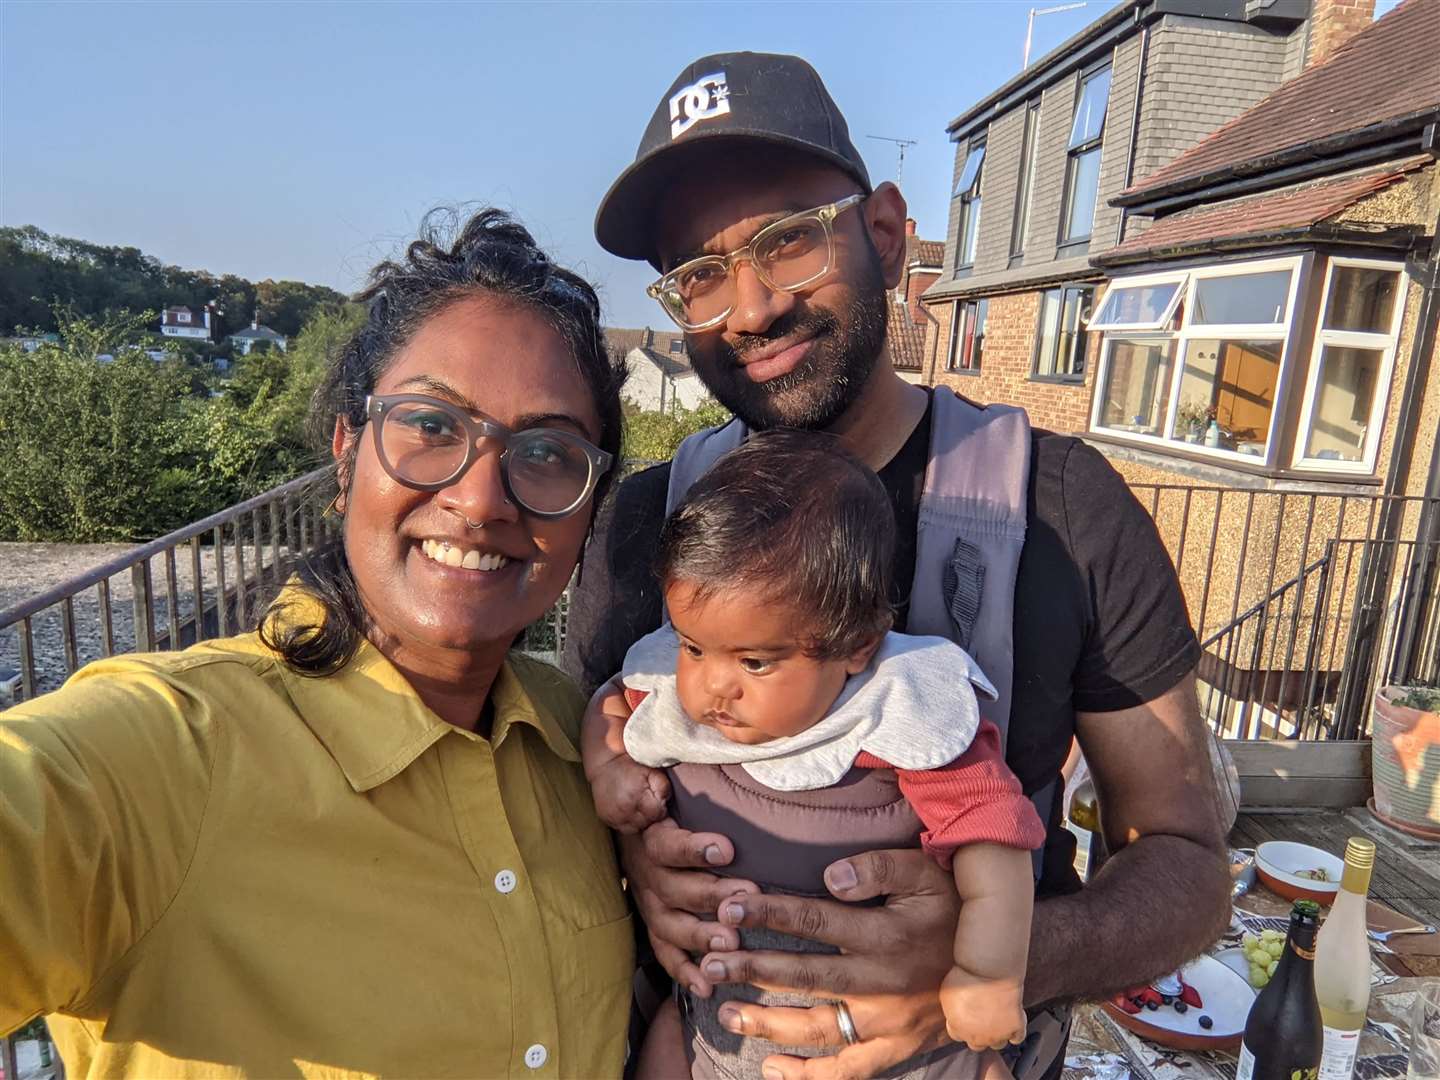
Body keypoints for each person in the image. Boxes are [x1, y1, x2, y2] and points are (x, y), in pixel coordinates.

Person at [565, 51, 1233, 1080]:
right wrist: (631, 864)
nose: (749, 309)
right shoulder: (646, 525)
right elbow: (569, 808)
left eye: (786, 242)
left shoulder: (1062, 511)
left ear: (884, 231)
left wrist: (997, 960)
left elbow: (1187, 865)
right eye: (699, 274)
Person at [0, 209, 633, 1077]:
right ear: (346, 456)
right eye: (432, 426)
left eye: (548, 451)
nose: (482, 499)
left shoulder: (581, 743)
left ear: (589, 509)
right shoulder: (168, 752)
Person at [582, 430, 1044, 1079]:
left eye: (754, 660)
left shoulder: (902, 712)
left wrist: (985, 974)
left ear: (857, 645)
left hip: (888, 1044)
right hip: (718, 1033)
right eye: (692, 647)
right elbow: (614, 701)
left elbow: (995, 838)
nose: (712, 686)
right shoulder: (674, 685)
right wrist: (609, 767)